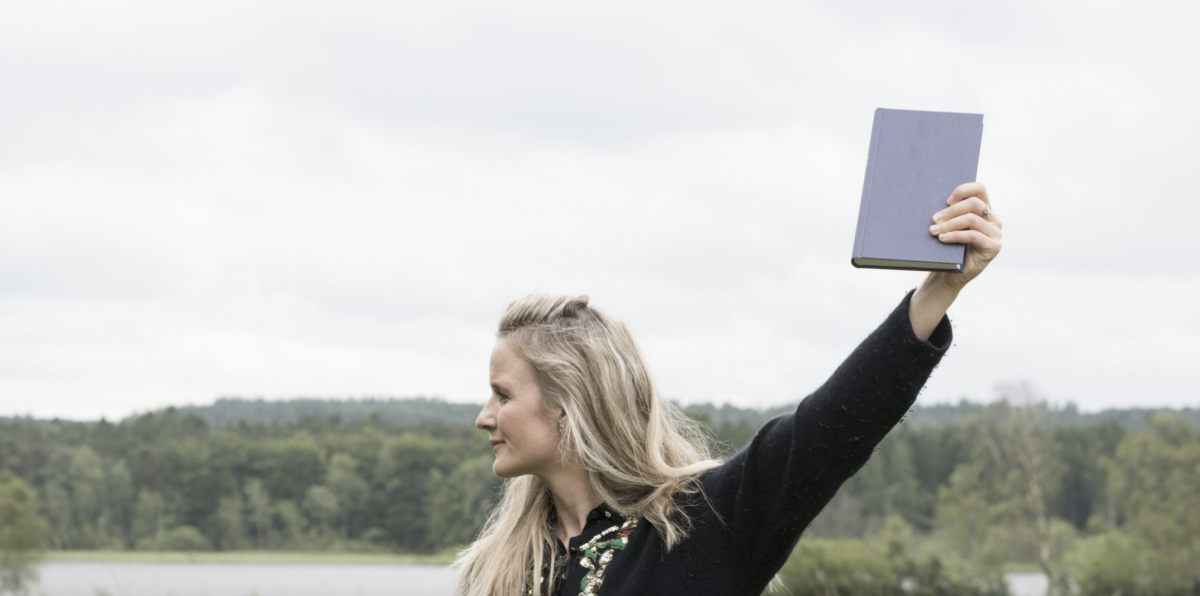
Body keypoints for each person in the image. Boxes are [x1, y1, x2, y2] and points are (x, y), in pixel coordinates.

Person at [455, 183, 1003, 596]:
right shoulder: (497, 571)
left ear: (566, 407)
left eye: (503, 395)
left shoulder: (704, 524)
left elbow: (832, 428)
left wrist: (941, 289)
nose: (484, 416)